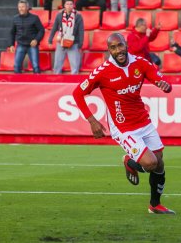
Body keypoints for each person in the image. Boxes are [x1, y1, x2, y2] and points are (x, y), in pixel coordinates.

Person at [72, 33, 175, 215]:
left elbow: (159, 79)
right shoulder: (102, 71)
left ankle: (155, 205)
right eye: (113, 48)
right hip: (123, 128)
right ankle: (129, 161)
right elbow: (77, 94)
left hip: (143, 120)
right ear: (109, 50)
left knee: (159, 164)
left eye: (120, 46)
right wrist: (92, 120)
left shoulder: (140, 63)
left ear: (126, 45)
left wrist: (164, 85)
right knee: (150, 163)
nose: (118, 51)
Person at [49, 0, 84, 74]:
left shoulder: (78, 16)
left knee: (74, 66)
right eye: (67, 4)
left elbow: (81, 30)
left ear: (73, 5)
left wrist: (80, 43)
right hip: (61, 42)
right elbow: (54, 27)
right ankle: (56, 81)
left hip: (74, 43)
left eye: (71, 4)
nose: (69, 6)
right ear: (64, 5)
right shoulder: (59, 15)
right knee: (57, 65)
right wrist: (50, 39)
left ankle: (74, 82)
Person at [9, 0, 45, 74]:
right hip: (20, 45)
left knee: (36, 67)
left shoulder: (35, 18)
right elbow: (12, 32)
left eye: (23, 7)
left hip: (32, 45)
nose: (21, 9)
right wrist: (11, 45)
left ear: (27, 8)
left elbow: (41, 30)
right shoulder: (15, 18)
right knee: (16, 67)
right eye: (19, 7)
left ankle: (37, 84)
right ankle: (18, 84)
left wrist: (36, 40)